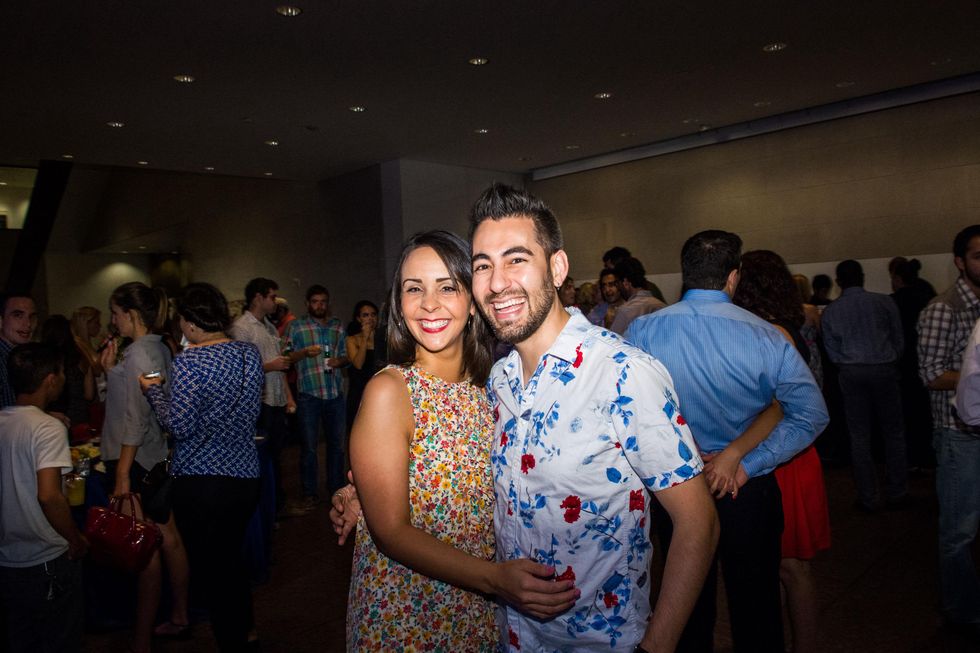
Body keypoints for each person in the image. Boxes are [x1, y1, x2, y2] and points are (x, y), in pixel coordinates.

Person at [337, 186, 719, 652]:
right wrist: (366, 496)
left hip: (598, 640)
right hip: (504, 633)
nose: (498, 282)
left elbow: (698, 522)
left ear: (557, 268)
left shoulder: (622, 372)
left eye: (516, 259)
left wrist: (656, 647)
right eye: (483, 266)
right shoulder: (498, 383)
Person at [346, 230, 575, 650]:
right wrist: (495, 579)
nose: (429, 304)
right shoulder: (391, 391)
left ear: (473, 302)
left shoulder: (492, 389)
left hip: (478, 609)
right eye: (414, 289)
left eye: (447, 287)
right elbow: (391, 531)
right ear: (399, 303)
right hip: (408, 611)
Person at [626, 231, 829, 653]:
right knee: (756, 602)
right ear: (733, 277)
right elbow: (811, 413)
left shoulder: (644, 330)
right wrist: (746, 463)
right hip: (747, 486)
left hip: (677, 485)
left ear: (686, 276)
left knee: (686, 601)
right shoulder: (767, 335)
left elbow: (628, 406)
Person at [140, 282, 264, 652]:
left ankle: (232, 641)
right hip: (245, 477)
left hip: (202, 482)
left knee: (215, 571)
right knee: (231, 560)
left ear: (190, 323)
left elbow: (179, 426)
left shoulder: (190, 361)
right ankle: (246, 630)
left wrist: (153, 392)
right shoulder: (248, 353)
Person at [729, 250, 831, 653]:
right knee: (780, 566)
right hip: (787, 454)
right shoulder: (788, 324)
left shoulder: (773, 333)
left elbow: (779, 408)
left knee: (790, 566)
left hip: (781, 456)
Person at [99, 282, 190, 651]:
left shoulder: (140, 352)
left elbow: (135, 418)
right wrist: (109, 372)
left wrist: (121, 472)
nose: (112, 320)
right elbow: (134, 400)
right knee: (166, 537)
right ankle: (178, 615)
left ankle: (141, 637)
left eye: (115, 313)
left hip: (137, 459)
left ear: (131, 314)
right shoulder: (155, 347)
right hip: (150, 455)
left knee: (147, 547)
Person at [0, 343, 89, 653]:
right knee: (59, 639)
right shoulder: (47, 428)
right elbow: (49, 495)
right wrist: (74, 539)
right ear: (51, 380)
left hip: (8, 559)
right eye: (62, 372)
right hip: (46, 557)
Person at [918, 225, 980, 641]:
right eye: (977, 255)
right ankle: (961, 616)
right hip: (958, 434)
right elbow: (931, 372)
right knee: (959, 531)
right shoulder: (945, 308)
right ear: (960, 262)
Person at [821, 259, 907, 511]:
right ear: (863, 277)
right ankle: (898, 490)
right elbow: (898, 338)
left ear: (839, 282)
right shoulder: (884, 302)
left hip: (851, 371)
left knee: (859, 435)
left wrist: (846, 364)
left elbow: (831, 349)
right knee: (893, 432)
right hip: (884, 367)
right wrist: (890, 358)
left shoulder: (832, 311)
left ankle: (868, 496)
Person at [231, 277, 295, 514]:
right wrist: (270, 365)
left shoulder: (268, 326)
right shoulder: (241, 328)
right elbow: (240, 370)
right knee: (263, 457)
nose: (275, 302)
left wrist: (289, 397)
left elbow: (280, 367)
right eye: (271, 297)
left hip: (276, 397)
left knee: (277, 456)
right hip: (259, 401)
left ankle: (277, 505)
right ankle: (268, 508)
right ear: (257, 298)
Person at [284, 284, 349, 515]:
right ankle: (310, 493)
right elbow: (286, 357)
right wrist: (303, 353)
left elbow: (345, 356)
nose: (319, 306)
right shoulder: (297, 327)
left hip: (334, 394)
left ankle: (336, 491)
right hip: (309, 395)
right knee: (309, 448)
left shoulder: (337, 326)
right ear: (307, 304)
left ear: (327, 303)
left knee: (337, 447)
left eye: (323, 301)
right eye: (315, 302)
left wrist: (339, 362)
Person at [891, 258, 936, 469]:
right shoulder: (927, 295)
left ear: (897, 278)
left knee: (907, 413)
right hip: (926, 359)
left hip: (902, 363)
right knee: (926, 411)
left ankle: (912, 459)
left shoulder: (893, 302)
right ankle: (928, 454)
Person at [40, 315, 95, 430]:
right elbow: (89, 394)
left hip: (52, 420)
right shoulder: (81, 357)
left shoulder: (44, 360)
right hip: (79, 420)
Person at [344, 300, 380, 431]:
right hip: (360, 394)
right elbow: (358, 364)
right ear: (358, 319)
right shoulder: (352, 340)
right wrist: (365, 338)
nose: (370, 318)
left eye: (373, 314)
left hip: (381, 393)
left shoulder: (384, 338)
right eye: (365, 315)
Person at [609, 256, 666, 335]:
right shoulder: (662, 306)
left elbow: (613, 342)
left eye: (617, 283)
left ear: (625, 283)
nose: (618, 288)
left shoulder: (626, 312)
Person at [0, 293, 38, 408]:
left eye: (32, 317)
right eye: (18, 315)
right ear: (0, 321)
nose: (28, 324)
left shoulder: (30, 357)